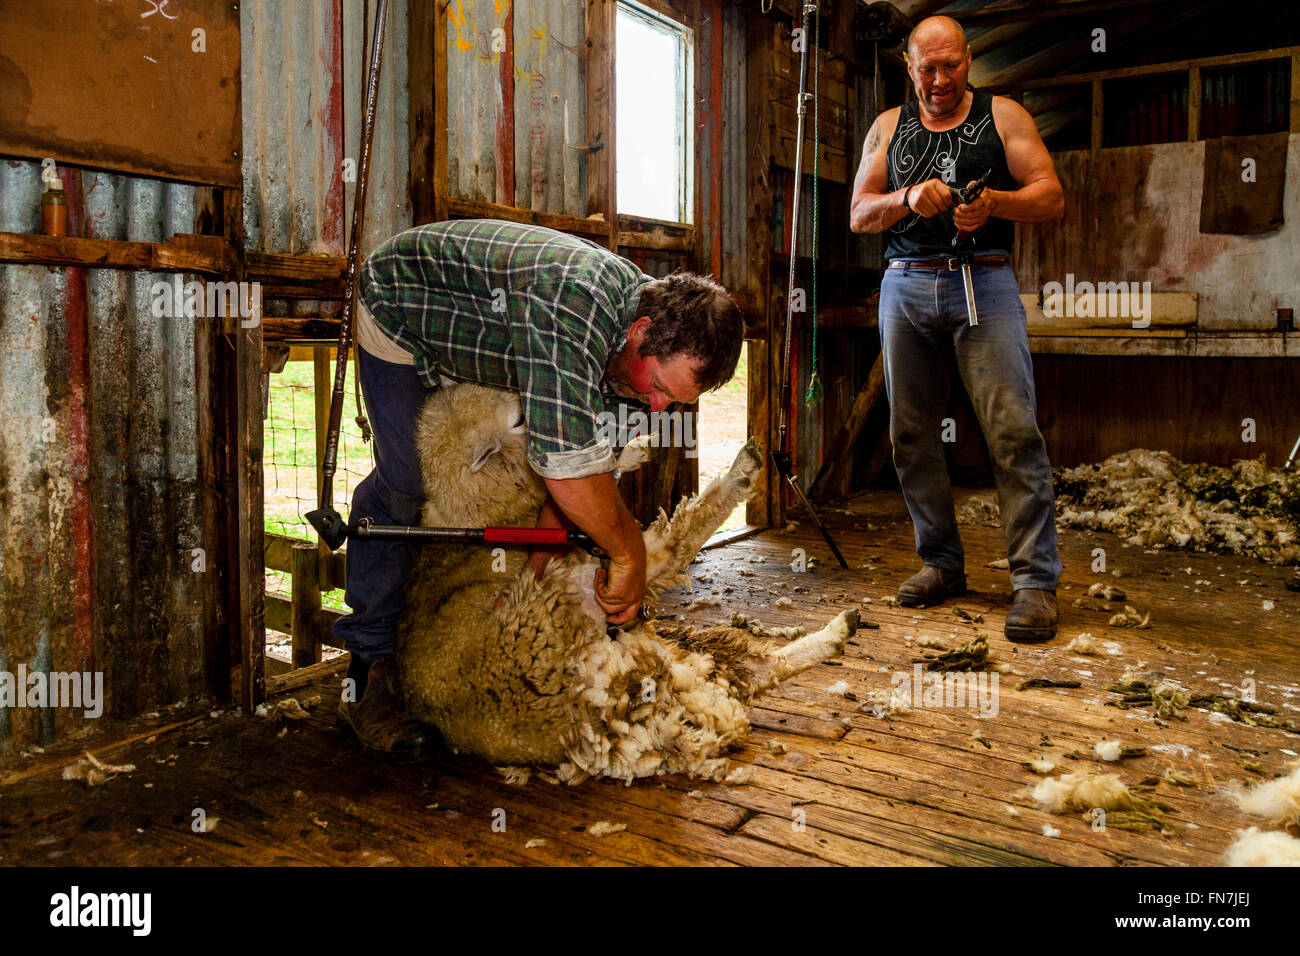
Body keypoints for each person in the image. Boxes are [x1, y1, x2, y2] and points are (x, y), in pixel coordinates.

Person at [334, 218, 744, 761]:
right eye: (662, 389)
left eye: (675, 402)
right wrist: (627, 555)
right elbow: (568, 470)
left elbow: (586, 484)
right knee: (410, 483)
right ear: (639, 331)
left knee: (548, 479)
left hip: (485, 335)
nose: (659, 409)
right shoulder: (572, 303)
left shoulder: (633, 371)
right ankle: (368, 671)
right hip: (406, 311)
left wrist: (530, 581)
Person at [849, 15, 1065, 642]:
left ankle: (1033, 582)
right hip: (906, 282)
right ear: (908, 66)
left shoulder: (1005, 117)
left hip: (986, 280)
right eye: (927, 68)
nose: (939, 80)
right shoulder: (888, 126)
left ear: (969, 60)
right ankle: (941, 563)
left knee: (1013, 429)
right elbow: (861, 214)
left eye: (952, 66)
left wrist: (996, 202)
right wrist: (907, 199)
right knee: (911, 432)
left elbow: (1050, 195)